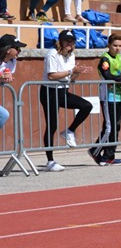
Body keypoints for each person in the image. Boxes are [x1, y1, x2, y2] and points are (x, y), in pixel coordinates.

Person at [40, 31, 93, 172]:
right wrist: (71, 71)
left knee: (86, 106)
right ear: (60, 41)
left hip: (62, 90)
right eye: (66, 40)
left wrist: (77, 72)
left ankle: (70, 131)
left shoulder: (71, 56)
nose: (69, 43)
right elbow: (51, 76)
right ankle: (50, 161)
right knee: (52, 125)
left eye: (72, 41)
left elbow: (71, 79)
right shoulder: (52, 53)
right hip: (49, 91)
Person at [89, 35, 121, 166]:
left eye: (119, 45)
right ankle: (95, 151)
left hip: (118, 95)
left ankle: (109, 156)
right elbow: (108, 76)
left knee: (116, 126)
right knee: (109, 127)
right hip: (107, 96)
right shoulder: (105, 59)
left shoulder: (120, 58)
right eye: (115, 45)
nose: (117, 48)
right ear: (109, 45)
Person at [0, 34, 24, 130]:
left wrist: (4, 80)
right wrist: (1, 77)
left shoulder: (12, 62)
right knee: (4, 114)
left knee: (3, 115)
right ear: (8, 49)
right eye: (17, 48)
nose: (19, 51)